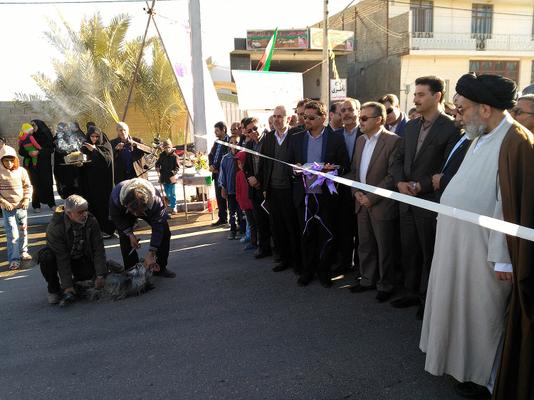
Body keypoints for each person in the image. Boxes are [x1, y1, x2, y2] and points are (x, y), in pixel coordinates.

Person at [420, 73, 533, 399]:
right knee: (459, 308)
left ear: (485, 109)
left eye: (462, 108)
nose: (458, 115)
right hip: (458, 243)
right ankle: (461, 367)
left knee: (483, 314)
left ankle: (485, 378)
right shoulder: (481, 134)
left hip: (485, 252)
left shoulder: (516, 142)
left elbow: (509, 205)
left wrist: (504, 258)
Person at [391, 75, 460, 319]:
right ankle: (410, 291)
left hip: (429, 202)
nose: (415, 99)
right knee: (409, 249)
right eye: (415, 94)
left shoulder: (452, 128)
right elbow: (398, 159)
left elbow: (449, 167)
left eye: (421, 94)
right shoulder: (410, 126)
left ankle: (427, 300)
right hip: (406, 200)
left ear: (437, 96)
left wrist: (420, 185)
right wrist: (399, 182)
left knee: (429, 252)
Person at [288, 100, 350, 287]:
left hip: (326, 196)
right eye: (304, 117)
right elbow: (288, 164)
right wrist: (294, 169)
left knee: (326, 234)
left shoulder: (335, 138)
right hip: (304, 195)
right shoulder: (297, 138)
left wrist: (332, 169)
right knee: (306, 234)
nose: (306, 120)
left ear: (323, 118)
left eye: (311, 118)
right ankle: (307, 271)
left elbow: (345, 165)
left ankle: (324, 271)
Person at [347, 102, 400, 302]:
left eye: (364, 118)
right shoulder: (360, 141)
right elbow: (354, 170)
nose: (359, 121)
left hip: (381, 204)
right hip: (361, 202)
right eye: (360, 117)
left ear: (378, 120)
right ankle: (367, 279)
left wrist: (372, 197)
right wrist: (357, 193)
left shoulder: (393, 141)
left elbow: (391, 176)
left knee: (385, 246)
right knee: (365, 244)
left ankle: (386, 285)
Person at [38, 195, 107, 305]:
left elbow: (98, 249)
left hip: (80, 258)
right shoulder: (55, 227)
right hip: (60, 258)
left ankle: (75, 283)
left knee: (91, 279)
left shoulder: (91, 221)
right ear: (69, 213)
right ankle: (54, 288)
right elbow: (62, 258)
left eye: (86, 211)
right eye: (80, 212)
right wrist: (67, 286)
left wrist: (100, 275)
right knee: (46, 257)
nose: (84, 214)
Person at [258, 105, 301, 273]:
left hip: (290, 189)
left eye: (280, 116)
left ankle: (297, 262)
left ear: (288, 118)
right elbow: (263, 163)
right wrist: (264, 186)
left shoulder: (296, 135)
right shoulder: (268, 137)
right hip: (273, 190)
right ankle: (283, 259)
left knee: (293, 227)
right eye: (274, 116)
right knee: (278, 227)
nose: (276, 119)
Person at [109, 178, 176, 278]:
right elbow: (116, 217)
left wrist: (151, 252)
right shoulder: (116, 196)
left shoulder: (155, 201)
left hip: (147, 208)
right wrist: (130, 234)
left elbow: (158, 227)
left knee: (165, 232)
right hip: (124, 212)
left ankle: (159, 267)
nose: (136, 215)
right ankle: (132, 272)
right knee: (125, 237)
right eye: (134, 212)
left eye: (139, 213)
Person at [333, 97, 362, 276]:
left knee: (362, 232)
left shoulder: (366, 134)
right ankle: (345, 263)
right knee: (344, 229)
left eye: (350, 110)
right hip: (341, 190)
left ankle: (361, 267)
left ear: (358, 112)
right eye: (342, 111)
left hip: (362, 189)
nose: (346, 114)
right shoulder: (335, 136)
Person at [0, 145, 33, 270]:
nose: (8, 163)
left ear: (15, 159)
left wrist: (26, 199)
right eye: (5, 160)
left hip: (22, 207)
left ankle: (24, 251)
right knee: (13, 233)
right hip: (8, 208)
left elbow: (27, 186)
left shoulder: (21, 171)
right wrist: (3, 201)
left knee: (23, 230)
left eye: (11, 160)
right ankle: (14, 258)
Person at [79, 126, 116, 237]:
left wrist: (95, 150)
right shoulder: (85, 146)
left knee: (103, 206)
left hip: (103, 184)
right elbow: (83, 163)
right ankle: (95, 230)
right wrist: (79, 165)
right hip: (90, 183)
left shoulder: (105, 146)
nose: (94, 139)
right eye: (92, 136)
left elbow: (107, 161)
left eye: (96, 136)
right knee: (92, 205)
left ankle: (108, 230)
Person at [243, 117, 272, 259]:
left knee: (271, 220)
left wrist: (260, 180)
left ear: (261, 125)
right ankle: (263, 247)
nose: (253, 132)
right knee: (258, 220)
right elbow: (246, 168)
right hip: (254, 188)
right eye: (250, 131)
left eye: (255, 128)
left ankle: (274, 248)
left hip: (267, 187)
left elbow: (269, 166)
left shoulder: (269, 141)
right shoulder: (248, 145)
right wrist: (250, 179)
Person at [218, 136, 244, 240]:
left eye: (236, 142)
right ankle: (233, 230)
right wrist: (223, 187)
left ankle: (241, 230)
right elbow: (222, 174)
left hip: (241, 190)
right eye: (232, 142)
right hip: (230, 189)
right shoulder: (225, 158)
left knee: (240, 211)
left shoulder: (242, 156)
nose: (234, 144)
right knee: (231, 211)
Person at [29, 120, 56, 211]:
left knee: (48, 184)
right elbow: (21, 150)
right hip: (33, 165)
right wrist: (29, 153)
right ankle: (36, 205)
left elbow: (50, 149)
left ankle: (51, 204)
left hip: (45, 165)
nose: (32, 127)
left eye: (34, 125)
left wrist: (39, 152)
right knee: (35, 184)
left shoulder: (47, 135)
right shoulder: (29, 135)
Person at [208, 121, 229, 226]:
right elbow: (211, 155)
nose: (215, 132)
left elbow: (227, 158)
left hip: (225, 174)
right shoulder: (217, 142)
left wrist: (219, 169)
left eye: (217, 130)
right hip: (216, 174)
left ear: (223, 129)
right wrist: (211, 165)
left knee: (227, 196)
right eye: (215, 130)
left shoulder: (229, 141)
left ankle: (234, 219)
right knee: (219, 196)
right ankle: (222, 218)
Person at [235, 151, 257, 250]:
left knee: (257, 222)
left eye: (242, 163)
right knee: (251, 223)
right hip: (245, 204)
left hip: (253, 202)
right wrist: (239, 201)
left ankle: (259, 241)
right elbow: (238, 189)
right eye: (238, 164)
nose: (240, 165)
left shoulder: (251, 173)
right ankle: (253, 241)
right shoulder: (239, 175)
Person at [155, 139, 179, 214]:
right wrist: (157, 167)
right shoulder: (162, 155)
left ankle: (174, 207)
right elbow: (157, 163)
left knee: (172, 193)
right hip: (164, 176)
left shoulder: (175, 156)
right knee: (167, 193)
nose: (167, 149)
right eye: (165, 148)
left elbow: (177, 167)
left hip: (172, 177)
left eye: (168, 147)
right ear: (163, 148)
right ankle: (169, 205)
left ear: (171, 147)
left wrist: (173, 172)